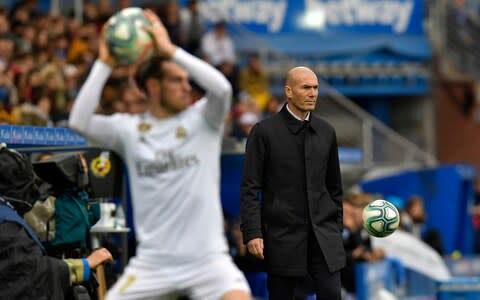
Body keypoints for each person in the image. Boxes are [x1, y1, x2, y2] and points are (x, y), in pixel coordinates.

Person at [69, 9, 251, 300]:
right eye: (176, 80)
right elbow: (78, 121)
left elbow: (222, 89)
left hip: (207, 261)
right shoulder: (128, 131)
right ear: (153, 86)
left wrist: (171, 51)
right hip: (153, 265)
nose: (186, 86)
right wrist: (104, 63)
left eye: (186, 79)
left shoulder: (202, 121)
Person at [240, 66, 345, 300]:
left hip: (324, 237)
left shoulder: (327, 131)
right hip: (282, 237)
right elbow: (250, 187)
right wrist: (253, 232)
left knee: (331, 295)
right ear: (288, 91)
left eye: (316, 88)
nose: (313, 93)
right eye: (306, 87)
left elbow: (334, 187)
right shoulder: (263, 132)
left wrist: (336, 227)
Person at [0, 143, 113, 300]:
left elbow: (91, 215)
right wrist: (85, 266)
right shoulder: (11, 225)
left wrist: (82, 184)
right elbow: (31, 274)